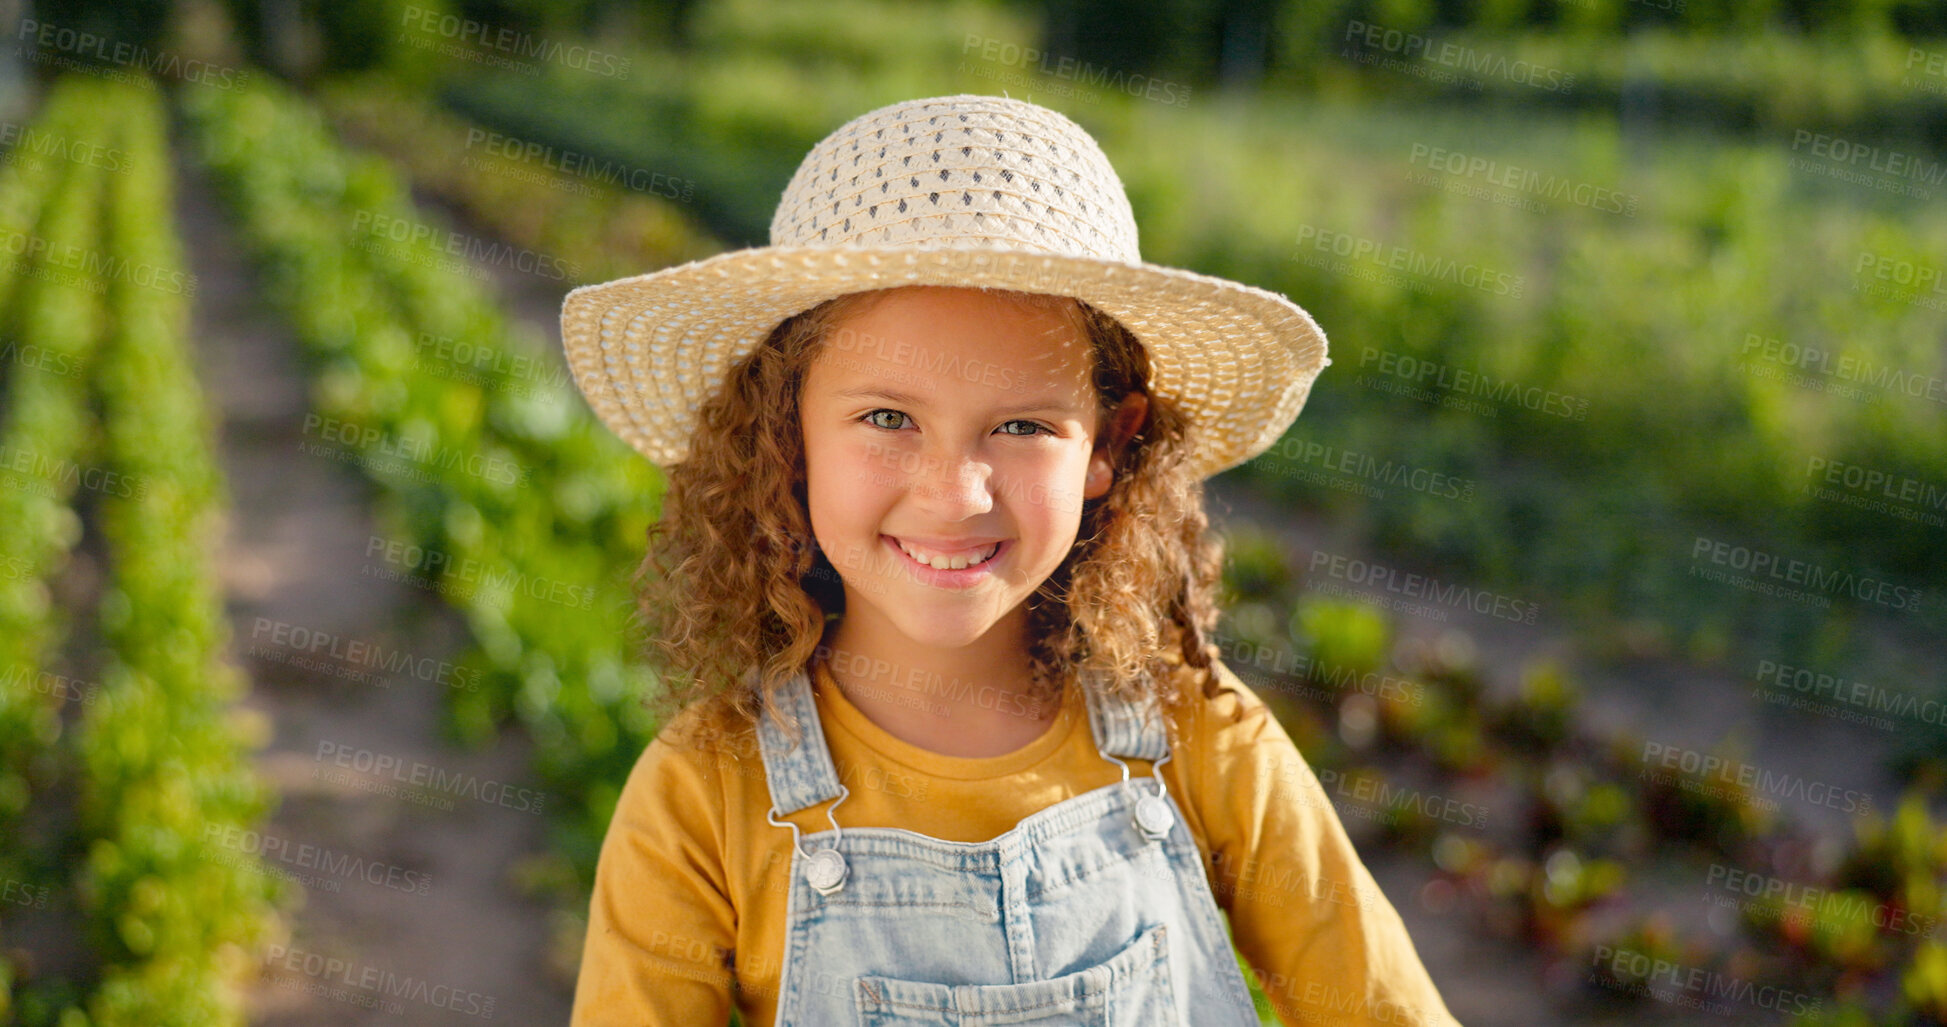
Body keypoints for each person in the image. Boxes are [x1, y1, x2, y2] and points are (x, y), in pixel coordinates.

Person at [559, 93, 1460, 1026]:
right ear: (785, 437)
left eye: (1023, 425)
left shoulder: (1201, 742)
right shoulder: (703, 794)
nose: (955, 493)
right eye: (886, 418)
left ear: (1109, 444)